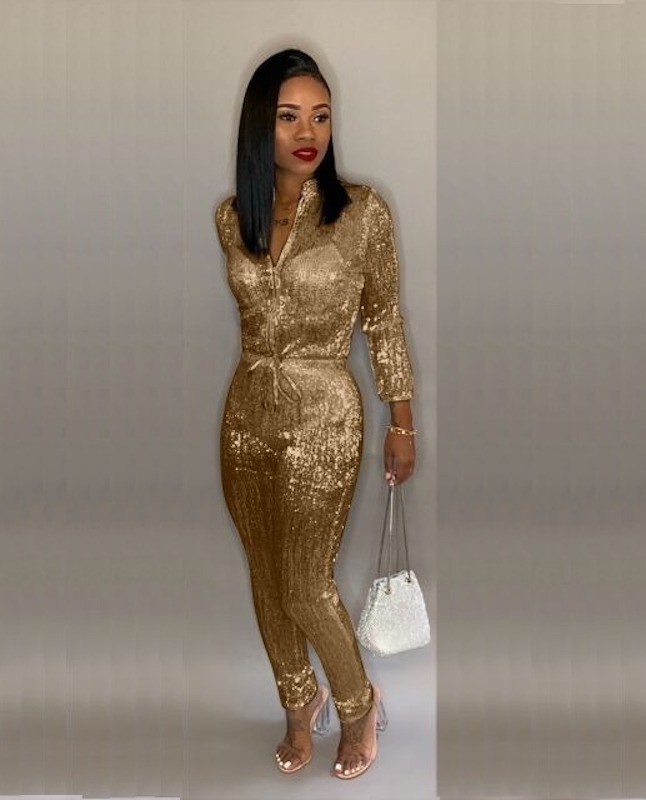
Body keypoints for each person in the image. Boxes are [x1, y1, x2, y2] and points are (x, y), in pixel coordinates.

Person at [214, 48, 416, 780]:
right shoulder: (232, 217)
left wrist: (401, 420)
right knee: (266, 578)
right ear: (259, 127)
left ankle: (359, 705)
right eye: (290, 116)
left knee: (305, 581)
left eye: (321, 116)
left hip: (324, 415)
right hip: (245, 418)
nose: (309, 132)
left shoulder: (362, 213)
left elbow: (383, 319)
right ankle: (299, 704)